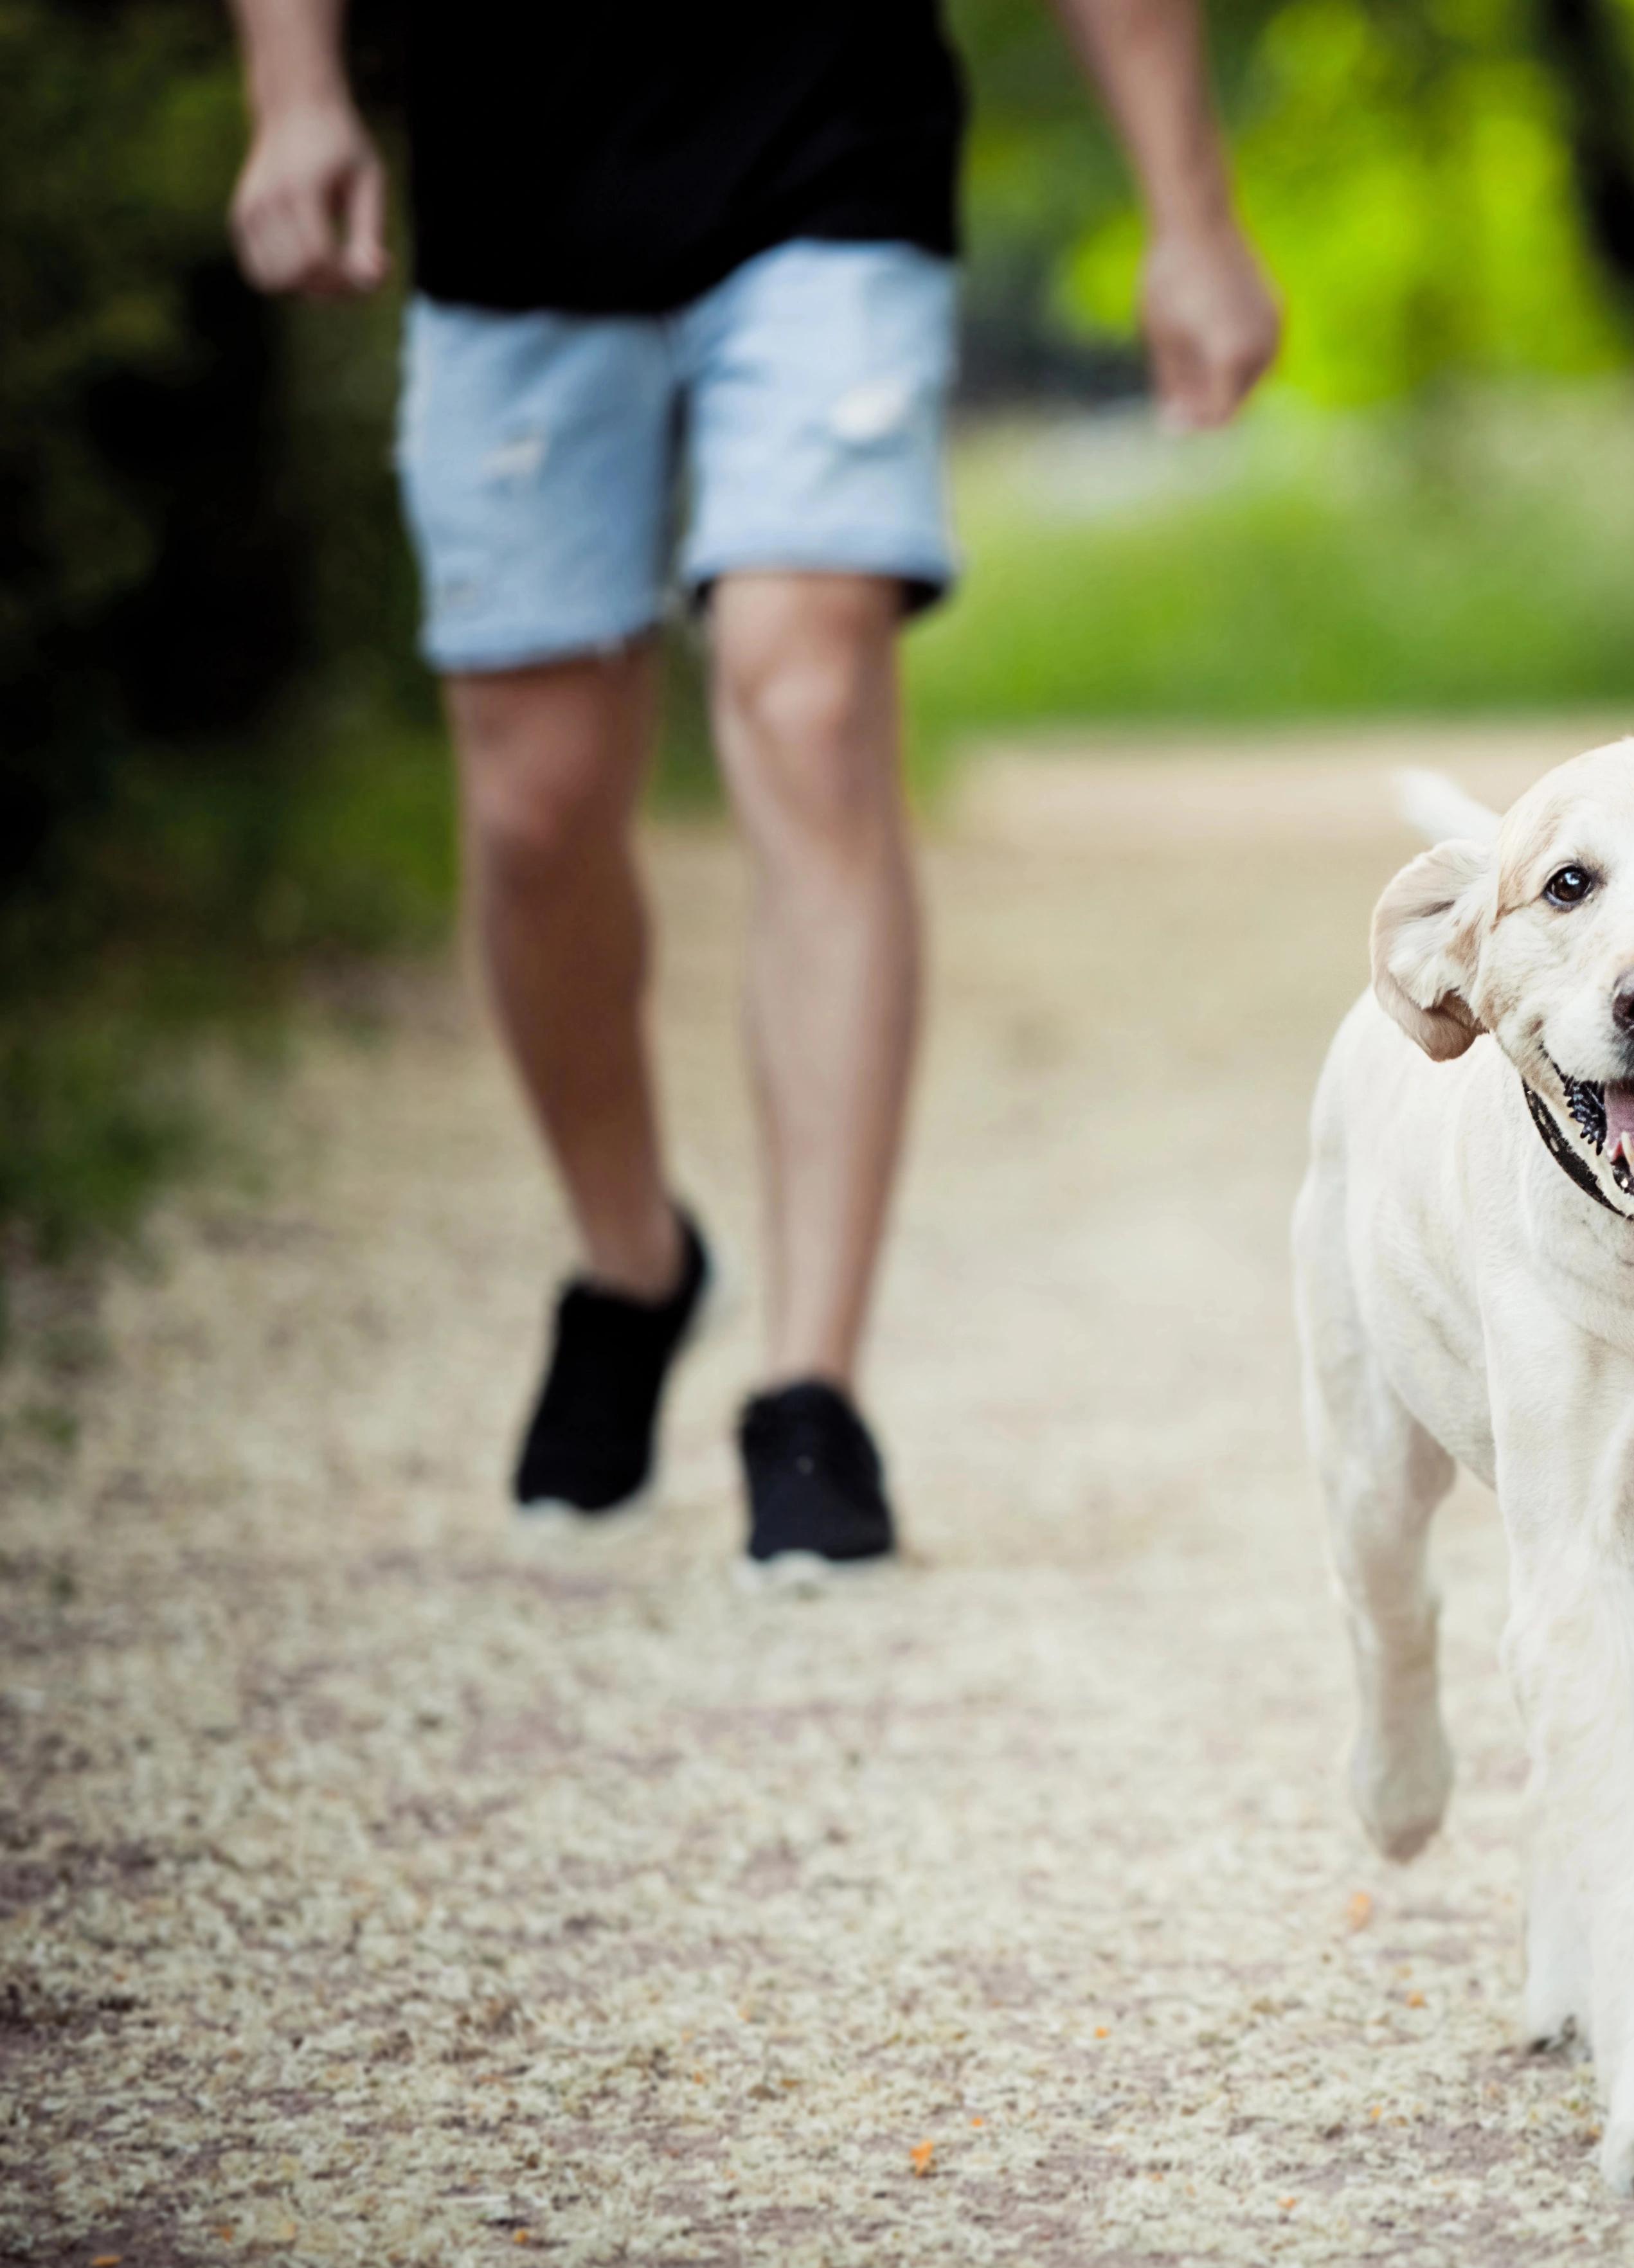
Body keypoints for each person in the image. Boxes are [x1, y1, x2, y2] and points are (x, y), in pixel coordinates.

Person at [224, 0, 1280, 1577]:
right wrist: (294, 87)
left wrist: (1189, 213)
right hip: (516, 200)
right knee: (536, 794)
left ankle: (812, 1387)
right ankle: (634, 1263)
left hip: (830, 162)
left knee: (809, 691)